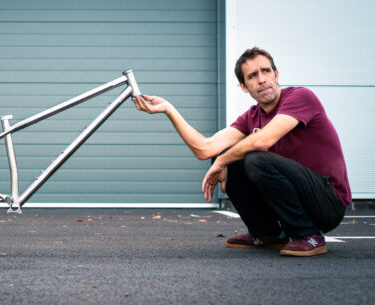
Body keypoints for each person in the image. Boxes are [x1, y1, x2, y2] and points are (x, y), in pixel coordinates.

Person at [132, 47, 351, 257]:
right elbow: (204, 148)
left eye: (266, 71)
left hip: (328, 201)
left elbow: (262, 141)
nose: (262, 79)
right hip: (300, 199)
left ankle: (308, 235)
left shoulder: (300, 97)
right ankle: (266, 234)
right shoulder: (251, 117)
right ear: (244, 86)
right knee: (230, 161)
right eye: (253, 76)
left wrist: (222, 160)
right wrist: (169, 110)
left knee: (251, 158)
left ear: (276, 74)